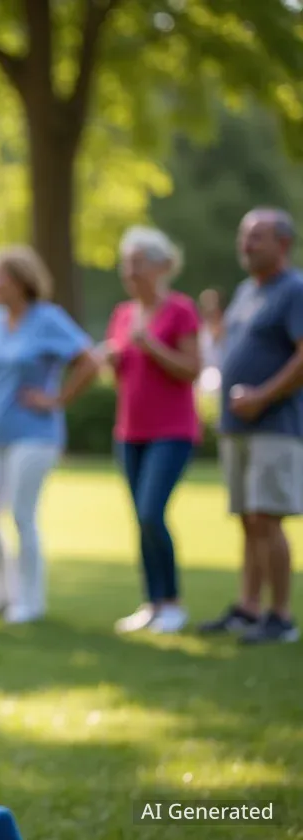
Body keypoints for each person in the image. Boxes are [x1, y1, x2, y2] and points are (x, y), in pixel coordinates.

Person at [0, 245, 100, 624]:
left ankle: (29, 601)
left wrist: (57, 398)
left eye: (0, 277)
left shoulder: (48, 319)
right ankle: (0, 594)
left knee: (22, 514)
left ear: (22, 281)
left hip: (34, 434)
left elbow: (89, 361)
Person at [198, 207, 303, 644]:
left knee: (268, 517)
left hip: (275, 425)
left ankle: (280, 617)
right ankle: (248, 608)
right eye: (244, 235)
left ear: (283, 243)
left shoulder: (294, 290)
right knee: (248, 519)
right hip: (237, 427)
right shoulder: (246, 291)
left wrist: (262, 396)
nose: (247, 243)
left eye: (257, 236)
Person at [102, 227, 202, 635]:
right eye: (127, 264)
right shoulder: (122, 315)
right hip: (130, 432)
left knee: (150, 512)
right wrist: (112, 358)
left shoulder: (180, 310)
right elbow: (123, 374)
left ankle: (173, 603)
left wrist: (152, 347)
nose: (131, 271)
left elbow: (192, 369)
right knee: (139, 518)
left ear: (162, 266)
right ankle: (152, 604)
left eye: (139, 262)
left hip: (172, 431)